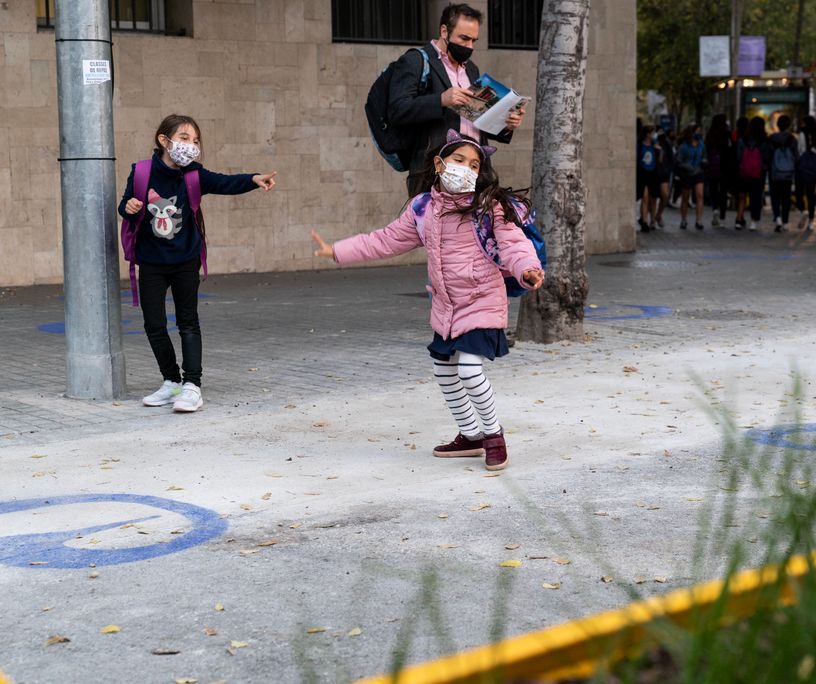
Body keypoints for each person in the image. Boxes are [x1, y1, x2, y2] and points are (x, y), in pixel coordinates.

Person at [310, 130, 544, 471]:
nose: (465, 169)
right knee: (443, 369)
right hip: (447, 307)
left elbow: (513, 244)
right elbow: (385, 240)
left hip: (482, 301)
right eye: (458, 161)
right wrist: (337, 251)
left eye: (474, 165)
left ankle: (493, 435)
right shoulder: (423, 209)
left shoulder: (487, 207)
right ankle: (470, 435)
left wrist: (528, 270)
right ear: (439, 163)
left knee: (468, 368)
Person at [118, 114, 278, 412]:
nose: (190, 146)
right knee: (154, 325)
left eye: (195, 140)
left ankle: (192, 386)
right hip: (151, 262)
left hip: (185, 261)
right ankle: (171, 382)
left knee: (187, 322)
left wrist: (254, 180)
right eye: (183, 138)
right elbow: (125, 205)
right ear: (163, 140)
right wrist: (129, 206)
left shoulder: (193, 175)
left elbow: (224, 182)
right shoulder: (141, 172)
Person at [388, 3, 525, 196]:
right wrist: (441, 100)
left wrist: (506, 124)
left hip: (474, 174)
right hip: (433, 173)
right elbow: (397, 110)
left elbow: (474, 118)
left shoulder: (471, 69)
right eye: (464, 38)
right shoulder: (415, 61)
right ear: (444, 31)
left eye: (473, 41)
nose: (469, 46)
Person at [735, 116, 768, 231]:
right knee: (756, 196)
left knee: (742, 196)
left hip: (743, 172)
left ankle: (739, 218)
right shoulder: (764, 140)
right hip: (758, 173)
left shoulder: (743, 139)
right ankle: (753, 221)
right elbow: (765, 157)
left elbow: (738, 157)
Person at [767, 115, 799, 232]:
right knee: (786, 197)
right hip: (788, 173)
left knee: (775, 196)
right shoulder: (792, 139)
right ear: (788, 125)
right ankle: (785, 221)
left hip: (774, 172)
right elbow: (796, 156)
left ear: (778, 125)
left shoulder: (772, 138)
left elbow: (768, 156)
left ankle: (778, 217)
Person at [795, 115, 816, 231]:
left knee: (799, 192)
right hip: (813, 168)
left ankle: (803, 211)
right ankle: (811, 222)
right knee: (811, 194)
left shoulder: (802, 134)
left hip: (802, 167)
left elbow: (800, 150)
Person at [675, 124, 705, 230]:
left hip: (698, 172)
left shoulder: (701, 144)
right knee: (685, 197)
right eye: (697, 131)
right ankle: (684, 220)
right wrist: (687, 166)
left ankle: (698, 221)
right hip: (686, 174)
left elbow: (704, 156)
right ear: (691, 133)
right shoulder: (684, 146)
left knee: (700, 195)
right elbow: (678, 161)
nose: (699, 133)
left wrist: (704, 162)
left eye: (700, 131)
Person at [704, 114, 732, 228]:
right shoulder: (727, 134)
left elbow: (706, 150)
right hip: (724, 167)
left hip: (712, 166)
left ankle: (715, 208)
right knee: (723, 192)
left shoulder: (710, 134)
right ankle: (722, 218)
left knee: (713, 189)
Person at [636, 125, 661, 232]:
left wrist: (659, 150)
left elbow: (660, 160)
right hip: (643, 174)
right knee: (645, 197)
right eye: (652, 133)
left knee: (652, 198)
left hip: (653, 174)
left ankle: (650, 219)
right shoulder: (640, 146)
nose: (654, 135)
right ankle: (645, 221)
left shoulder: (655, 146)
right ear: (647, 134)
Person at [653, 129, 676, 228]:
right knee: (652, 198)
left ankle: (658, 215)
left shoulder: (667, 144)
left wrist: (668, 170)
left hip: (664, 174)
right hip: (653, 174)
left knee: (665, 195)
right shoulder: (652, 143)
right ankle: (652, 220)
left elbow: (672, 159)